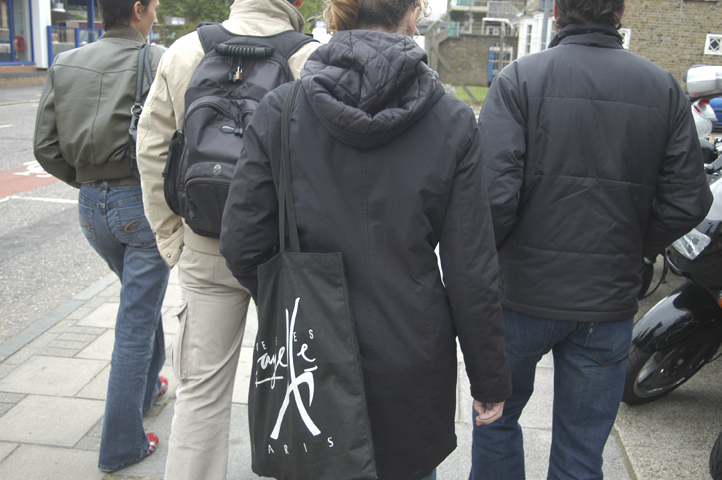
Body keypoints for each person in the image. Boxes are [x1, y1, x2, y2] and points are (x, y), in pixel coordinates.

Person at [219, 0, 512, 478]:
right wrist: (489, 375)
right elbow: (470, 269)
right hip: (413, 354)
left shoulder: (281, 110)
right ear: (413, 13)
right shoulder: (452, 121)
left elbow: (242, 245)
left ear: (339, 11)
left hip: (309, 353)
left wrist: (299, 300)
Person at [471, 1, 714, 479]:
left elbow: (493, 199)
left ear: (556, 9)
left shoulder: (519, 80)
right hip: (606, 301)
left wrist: (490, 262)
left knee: (496, 421)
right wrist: (635, 245)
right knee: (581, 449)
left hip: (521, 296)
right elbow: (689, 200)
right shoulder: (662, 87)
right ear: (619, 10)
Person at [134, 0, 318, 478]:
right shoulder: (310, 59)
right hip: (283, 257)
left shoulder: (185, 52)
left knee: (200, 393)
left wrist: (172, 236)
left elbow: (151, 148)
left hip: (205, 242)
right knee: (298, 388)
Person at [32, 0, 169, 473]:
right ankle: (122, 445)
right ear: (137, 9)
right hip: (139, 204)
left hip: (91, 208)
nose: (157, 15)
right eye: (154, 7)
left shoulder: (65, 62)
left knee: (138, 300)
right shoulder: (156, 59)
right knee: (135, 321)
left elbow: (45, 146)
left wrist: (90, 184)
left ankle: (148, 389)